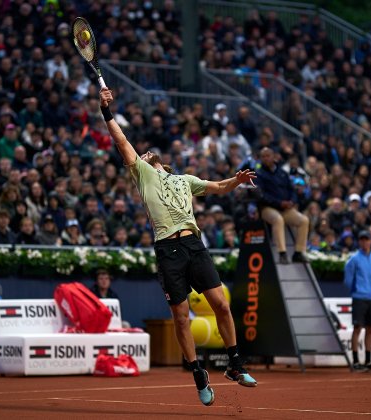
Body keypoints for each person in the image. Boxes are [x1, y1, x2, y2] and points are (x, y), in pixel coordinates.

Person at [100, 87, 257, 407]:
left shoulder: (185, 179)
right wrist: (105, 111)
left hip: (193, 243)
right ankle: (198, 372)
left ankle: (234, 364)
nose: (142, 155)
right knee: (181, 317)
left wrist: (236, 181)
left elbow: (218, 188)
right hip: (168, 249)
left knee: (222, 305)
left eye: (145, 154)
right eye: (140, 155)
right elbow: (121, 141)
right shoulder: (142, 174)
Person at [254, 147, 309, 264]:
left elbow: (292, 190)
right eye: (263, 156)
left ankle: (298, 252)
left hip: (285, 208)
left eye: (268, 155)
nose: (265, 158)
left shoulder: (282, 173)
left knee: (303, 220)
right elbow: (261, 195)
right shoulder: (258, 174)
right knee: (278, 220)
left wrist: (292, 202)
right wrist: (279, 203)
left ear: (274, 157)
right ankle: (282, 253)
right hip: (267, 208)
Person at [343, 230, 371, 371]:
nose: (364, 242)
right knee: (357, 329)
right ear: (359, 242)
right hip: (359, 298)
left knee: (370, 329)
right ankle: (355, 362)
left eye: (367, 240)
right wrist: (356, 291)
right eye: (362, 240)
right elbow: (348, 280)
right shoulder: (353, 260)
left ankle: (368, 361)